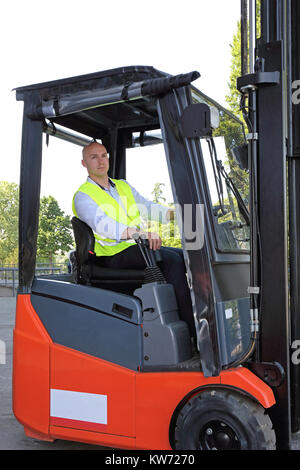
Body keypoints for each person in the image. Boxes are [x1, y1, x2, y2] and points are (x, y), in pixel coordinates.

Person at [72, 141, 195, 339]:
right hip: (112, 254)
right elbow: (103, 224)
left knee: (188, 256)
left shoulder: (122, 186)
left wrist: (179, 214)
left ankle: (196, 318)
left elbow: (148, 207)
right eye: (93, 157)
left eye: (104, 155)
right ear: (84, 163)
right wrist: (140, 234)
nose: (100, 161)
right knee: (172, 261)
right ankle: (193, 333)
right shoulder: (83, 196)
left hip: (136, 247)